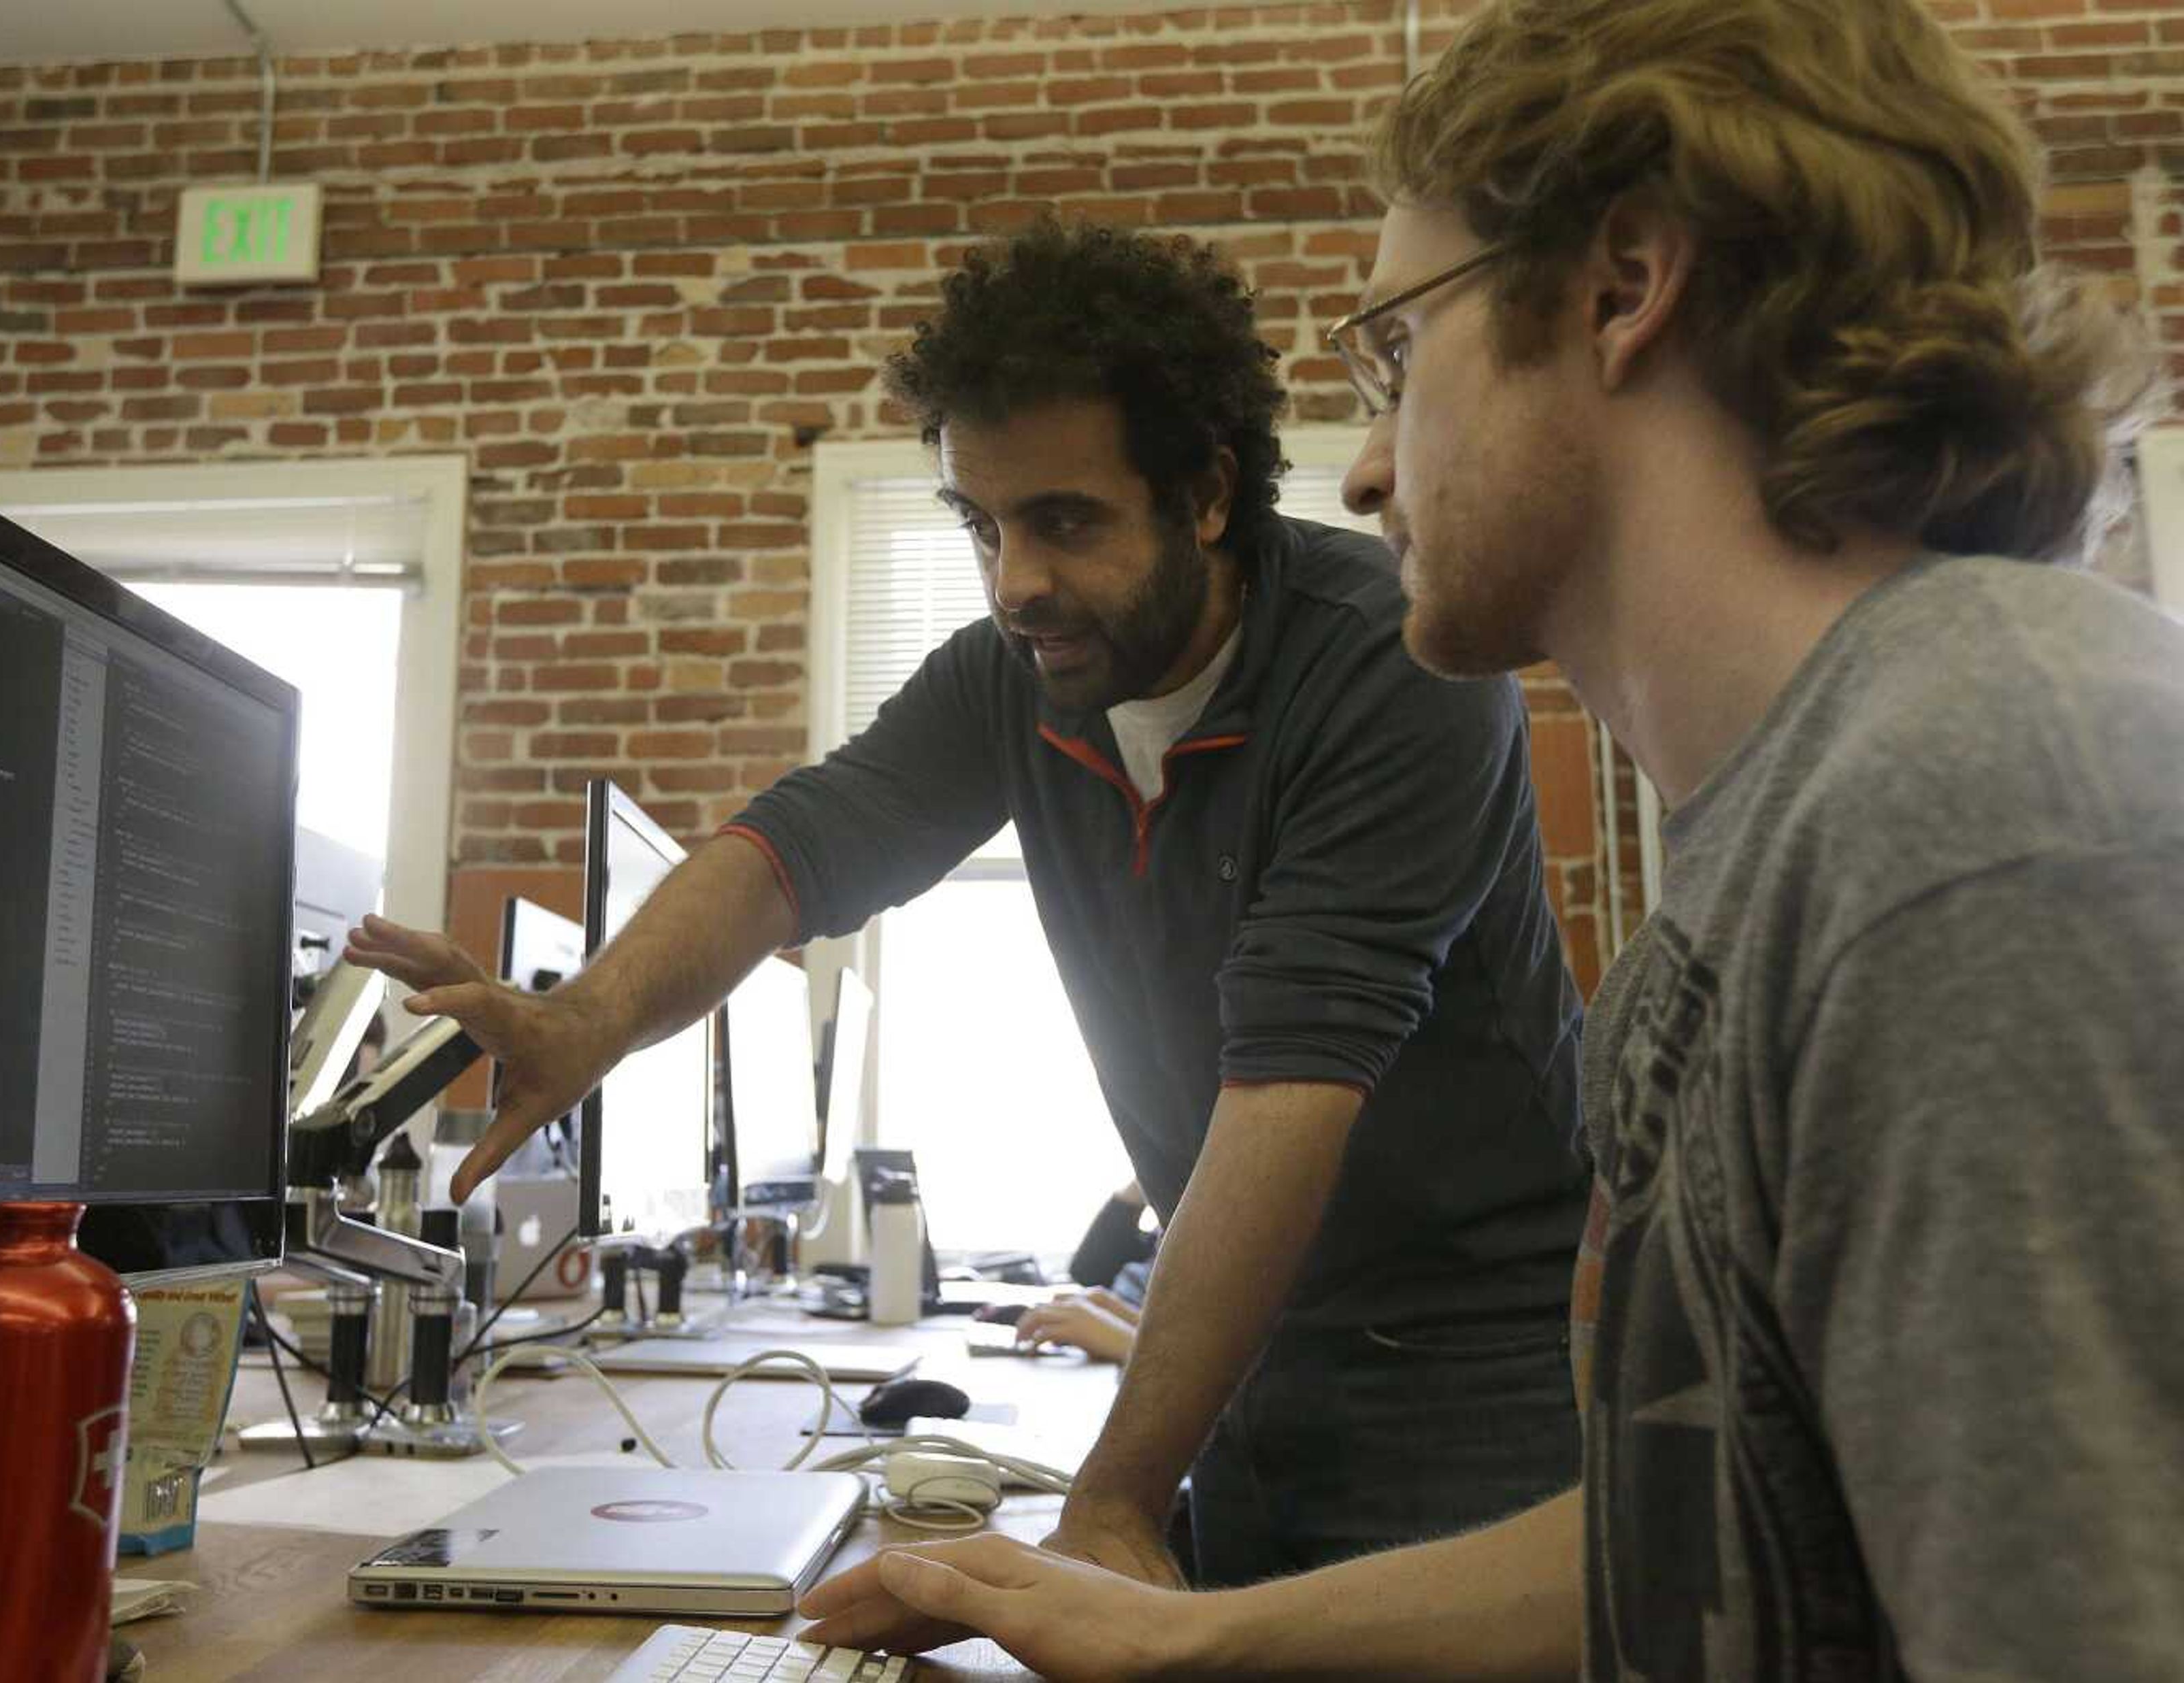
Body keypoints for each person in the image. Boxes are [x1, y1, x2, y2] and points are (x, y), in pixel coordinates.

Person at [794, 0, 2183, 1676]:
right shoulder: (1799, 822)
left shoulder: (1979, 806)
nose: (1369, 472)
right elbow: (1708, 1530)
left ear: (1621, 289)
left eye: (1397, 351)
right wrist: (1186, 1641)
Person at [351, 220, 1593, 1587]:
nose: (1016, 583)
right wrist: (589, 1019)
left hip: (1476, 1362)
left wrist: (1112, 1501)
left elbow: (1292, 1083)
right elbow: (800, 846)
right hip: (1246, 1343)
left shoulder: (1385, 667)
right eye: (979, 524)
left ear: (1209, 493)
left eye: (1064, 522)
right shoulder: (1018, 673)